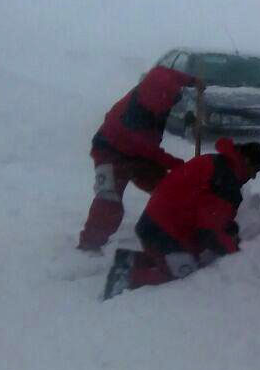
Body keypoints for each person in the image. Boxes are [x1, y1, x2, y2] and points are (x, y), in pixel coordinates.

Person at [102, 138, 260, 299]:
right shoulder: (226, 181)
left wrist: (228, 227)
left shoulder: (216, 162)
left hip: (154, 221)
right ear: (246, 161)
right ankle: (126, 278)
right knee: (183, 274)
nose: (253, 177)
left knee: (174, 260)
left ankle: (129, 260)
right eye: (255, 170)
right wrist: (234, 251)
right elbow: (209, 229)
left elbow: (209, 210)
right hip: (164, 229)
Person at [77, 66, 200, 251]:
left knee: (167, 188)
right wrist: (180, 166)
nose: (169, 107)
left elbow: (167, 72)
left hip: (139, 154)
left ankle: (177, 229)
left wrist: (192, 80)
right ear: (157, 102)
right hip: (110, 152)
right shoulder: (134, 119)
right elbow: (150, 151)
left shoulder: (159, 82)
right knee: (109, 200)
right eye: (167, 104)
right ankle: (89, 245)